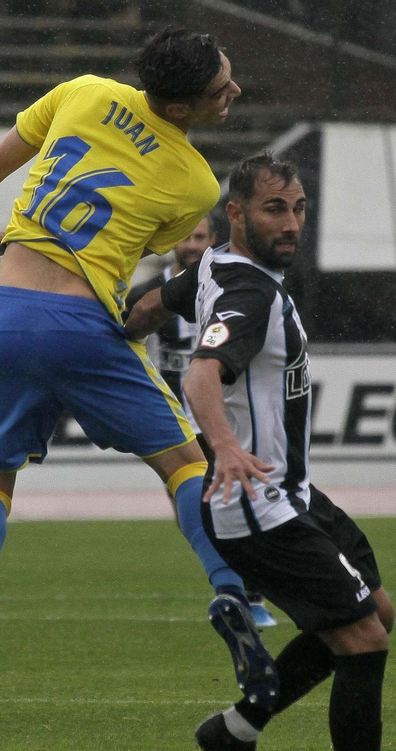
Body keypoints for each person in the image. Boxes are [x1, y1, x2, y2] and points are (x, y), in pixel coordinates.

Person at [0, 27, 278, 712]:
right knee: (187, 466)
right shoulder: (193, 181)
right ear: (184, 108)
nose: (236, 93)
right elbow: (115, 245)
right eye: (223, 88)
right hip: (83, 328)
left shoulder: (82, 94)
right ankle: (231, 595)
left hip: (7, 319)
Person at [125, 152, 396, 751]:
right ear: (236, 212)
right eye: (274, 210)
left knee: (376, 612)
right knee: (363, 642)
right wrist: (222, 447)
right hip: (255, 503)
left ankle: (236, 729)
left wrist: (110, 339)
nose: (291, 224)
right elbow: (201, 374)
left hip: (292, 491)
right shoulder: (247, 296)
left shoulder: (211, 271)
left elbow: (144, 310)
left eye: (298, 209)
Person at [128, 211, 279, 629]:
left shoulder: (229, 290)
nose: (191, 245)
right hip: (172, 419)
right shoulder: (147, 294)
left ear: (213, 239)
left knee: (239, 498)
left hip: (223, 418)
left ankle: (250, 593)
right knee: (192, 505)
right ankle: (235, 587)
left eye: (200, 237)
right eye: (185, 237)